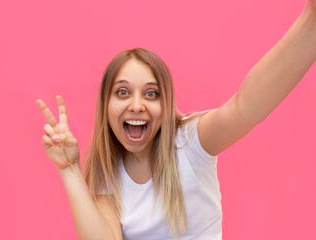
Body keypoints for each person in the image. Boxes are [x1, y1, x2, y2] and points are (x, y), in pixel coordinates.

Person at [36, 1, 316, 239]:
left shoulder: (189, 143)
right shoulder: (107, 177)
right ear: (106, 106)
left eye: (151, 93)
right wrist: (69, 169)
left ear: (166, 104)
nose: (136, 105)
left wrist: (310, 23)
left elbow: (245, 108)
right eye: (123, 92)